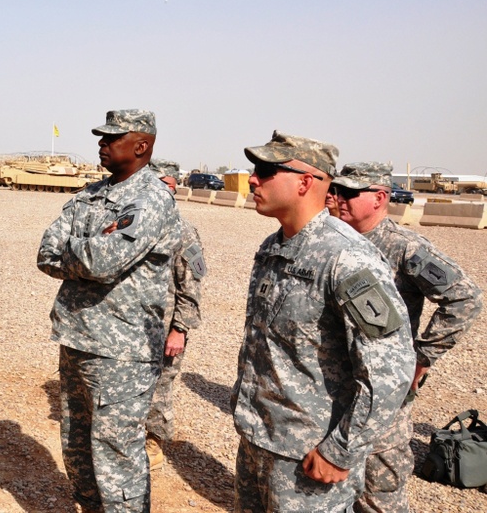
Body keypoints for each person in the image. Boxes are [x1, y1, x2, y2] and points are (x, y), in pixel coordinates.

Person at [232, 131, 415, 512]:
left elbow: (390, 369)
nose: (252, 179)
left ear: (304, 181)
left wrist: (341, 450)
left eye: (266, 171)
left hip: (309, 456)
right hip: (259, 438)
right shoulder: (274, 247)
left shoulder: (346, 258)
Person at [38, 110, 181, 513]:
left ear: (141, 146)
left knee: (116, 454)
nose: (101, 144)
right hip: (78, 337)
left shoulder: (150, 198)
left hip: (124, 351)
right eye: (100, 138)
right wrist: (90, 246)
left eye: (111, 139)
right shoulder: (90, 194)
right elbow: (46, 252)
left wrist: (81, 248)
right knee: (77, 445)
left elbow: (105, 261)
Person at [331, 162, 483, 513]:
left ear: (379, 198)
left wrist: (422, 357)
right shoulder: (333, 241)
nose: (338, 198)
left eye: (350, 193)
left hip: (384, 389)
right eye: (336, 190)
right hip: (335, 384)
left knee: (379, 489)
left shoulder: (403, 248)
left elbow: (465, 297)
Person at [144, 159, 205, 471]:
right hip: (134, 326)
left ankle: (153, 441)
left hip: (166, 326)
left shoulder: (183, 231)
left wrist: (179, 328)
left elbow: (191, 286)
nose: (162, 191)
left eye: (167, 185)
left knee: (161, 385)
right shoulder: (136, 224)